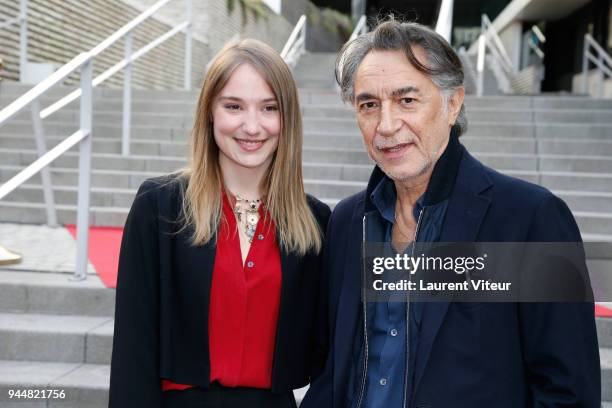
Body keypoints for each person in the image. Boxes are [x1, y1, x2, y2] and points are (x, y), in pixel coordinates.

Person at [301, 19, 601, 408]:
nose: (387, 125)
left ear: (453, 103)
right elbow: (333, 369)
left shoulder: (530, 220)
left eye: (407, 100)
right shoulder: (347, 221)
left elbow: (568, 393)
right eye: (369, 105)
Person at [109, 39, 330, 408]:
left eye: (269, 108)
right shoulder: (159, 207)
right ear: (210, 111)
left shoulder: (316, 223)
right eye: (233, 106)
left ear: (287, 118)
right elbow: (133, 352)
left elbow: (329, 357)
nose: (252, 126)